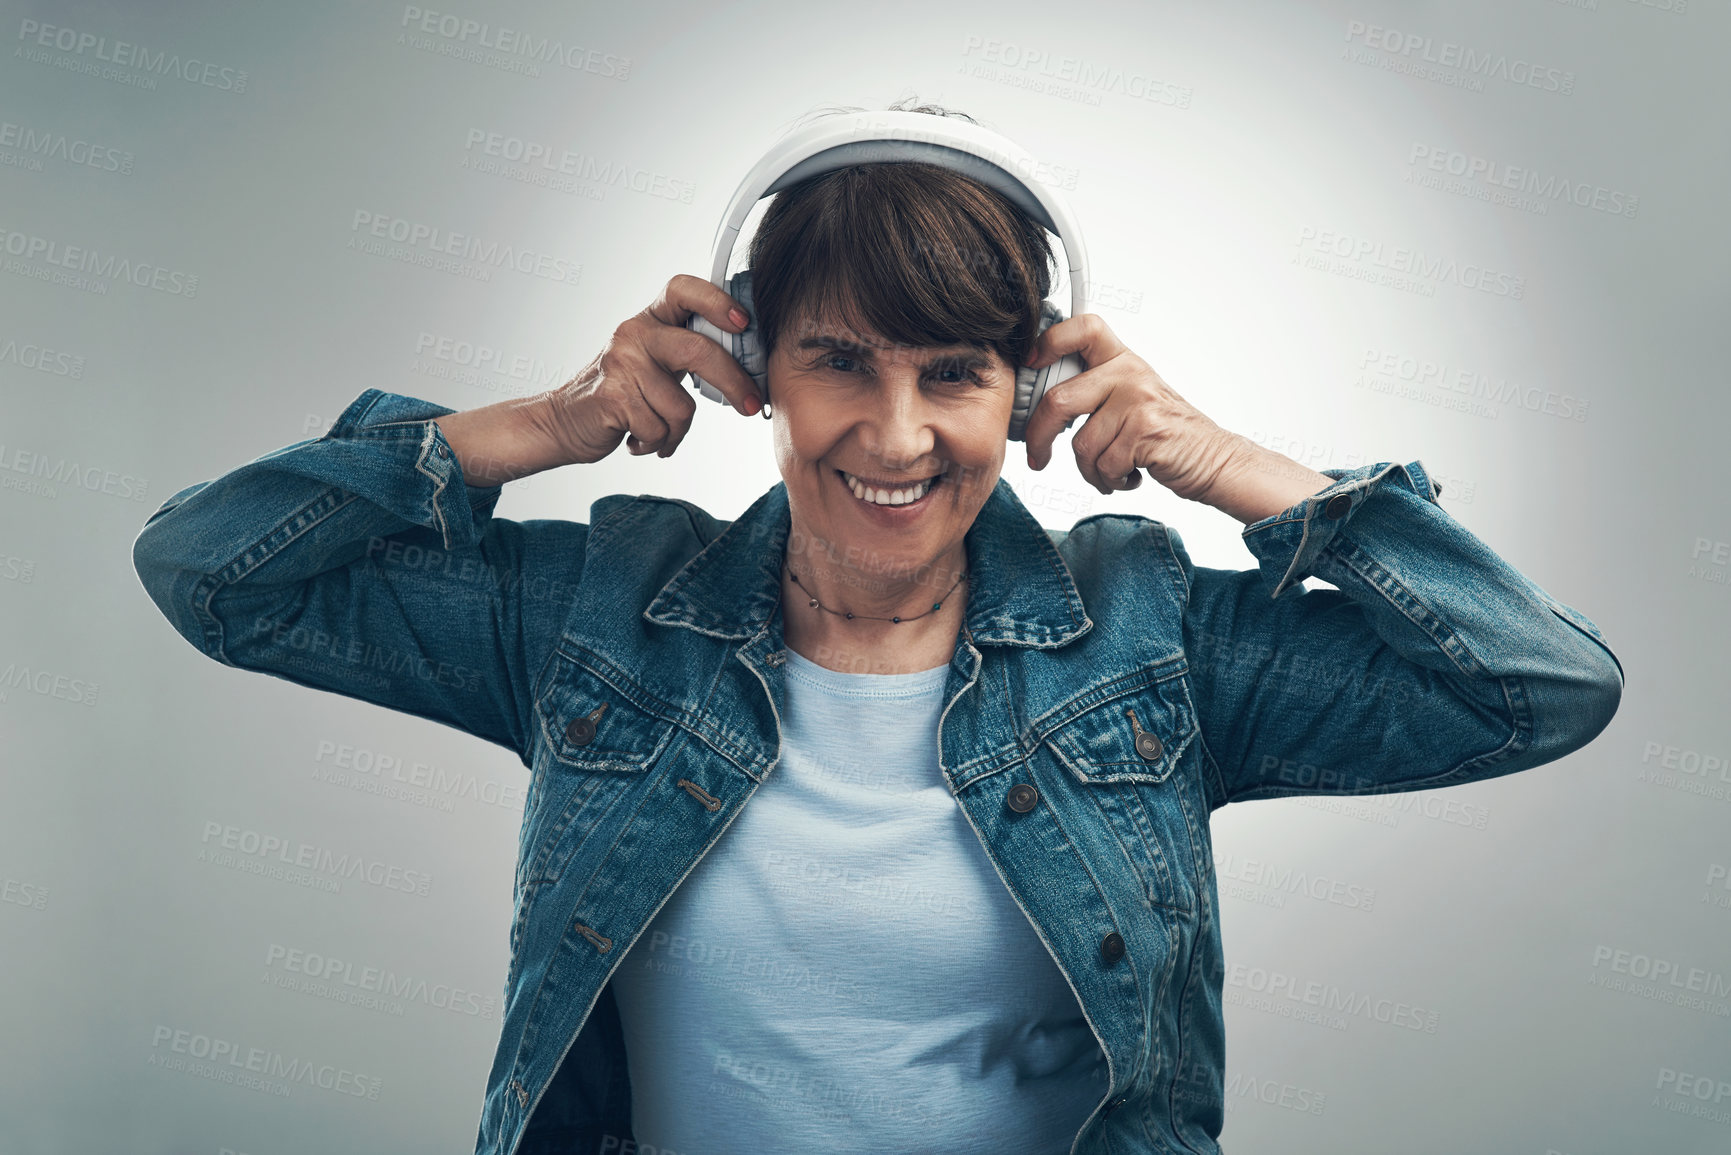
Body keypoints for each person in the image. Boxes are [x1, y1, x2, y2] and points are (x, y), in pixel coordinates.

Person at [132, 101, 1624, 1155]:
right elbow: (213, 571)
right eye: (840, 360)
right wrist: (557, 418)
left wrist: (1227, 465)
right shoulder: (601, 620)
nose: (896, 435)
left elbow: (1540, 688)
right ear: (751, 365)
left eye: (957, 373)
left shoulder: (1151, 644)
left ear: (1027, 395)